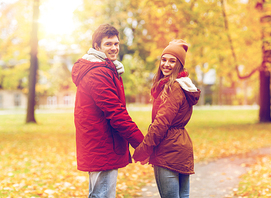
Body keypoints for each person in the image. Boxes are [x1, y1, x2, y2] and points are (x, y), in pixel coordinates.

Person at [71, 23, 144, 198]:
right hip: (101, 145)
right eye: (108, 44)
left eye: (116, 43)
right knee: (102, 195)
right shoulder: (98, 73)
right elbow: (116, 113)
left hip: (102, 143)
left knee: (100, 193)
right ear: (97, 46)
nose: (114, 48)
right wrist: (141, 144)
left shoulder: (108, 69)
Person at [133, 39, 201, 198]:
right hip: (181, 149)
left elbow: (160, 124)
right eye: (164, 59)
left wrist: (143, 150)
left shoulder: (174, 88)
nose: (166, 64)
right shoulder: (184, 85)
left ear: (180, 65)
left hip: (168, 151)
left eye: (172, 61)